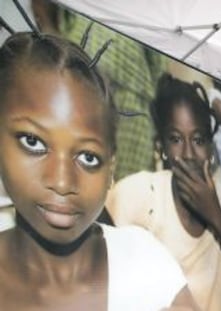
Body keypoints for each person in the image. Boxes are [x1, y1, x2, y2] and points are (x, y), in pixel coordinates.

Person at [0, 27, 198, 310]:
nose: (61, 181)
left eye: (88, 158)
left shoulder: (146, 267)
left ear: (111, 169)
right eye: (33, 142)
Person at [106, 73, 221, 311]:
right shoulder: (140, 195)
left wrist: (216, 217)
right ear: (162, 147)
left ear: (210, 148)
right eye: (176, 139)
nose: (188, 153)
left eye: (198, 140)